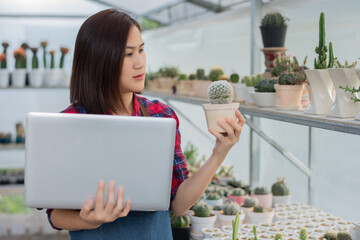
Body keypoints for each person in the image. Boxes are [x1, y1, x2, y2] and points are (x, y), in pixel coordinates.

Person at [46, 8, 245, 239]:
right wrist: (85, 220)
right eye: (128, 54)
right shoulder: (70, 122)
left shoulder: (161, 115)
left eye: (141, 50)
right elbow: (54, 213)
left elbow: (179, 205)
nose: (140, 63)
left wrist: (219, 153)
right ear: (100, 59)